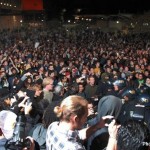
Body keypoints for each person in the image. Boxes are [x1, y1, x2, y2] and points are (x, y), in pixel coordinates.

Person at [46, 95, 119, 150]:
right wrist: (113, 138)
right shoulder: (73, 148)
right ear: (76, 119)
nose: (86, 119)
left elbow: (78, 135)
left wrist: (97, 126)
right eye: (85, 117)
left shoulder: (53, 126)